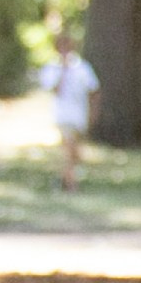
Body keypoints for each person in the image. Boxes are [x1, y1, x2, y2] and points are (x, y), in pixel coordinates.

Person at [37, 28, 100, 190]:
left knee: (75, 152)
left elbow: (93, 90)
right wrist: (62, 71)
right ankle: (72, 185)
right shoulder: (51, 69)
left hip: (79, 114)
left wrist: (94, 113)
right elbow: (54, 89)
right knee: (68, 147)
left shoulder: (82, 68)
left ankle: (65, 179)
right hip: (62, 115)